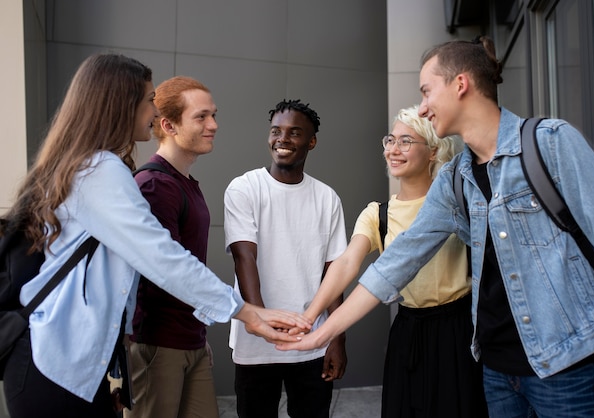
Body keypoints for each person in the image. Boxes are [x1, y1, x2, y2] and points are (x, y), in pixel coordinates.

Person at [277, 36, 594, 418]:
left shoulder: (552, 144)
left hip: (568, 366)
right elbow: (395, 265)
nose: (423, 108)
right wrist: (318, 330)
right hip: (496, 371)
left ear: (460, 84)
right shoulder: (455, 179)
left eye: (427, 92)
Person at [0, 54, 310, 418]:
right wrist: (245, 312)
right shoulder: (101, 171)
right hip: (54, 365)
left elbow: (114, 289)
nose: (153, 108)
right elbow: (160, 256)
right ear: (121, 105)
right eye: (148, 99)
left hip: (70, 365)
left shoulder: (88, 166)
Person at [293, 105, 487, 417]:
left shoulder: (458, 202)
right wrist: (310, 317)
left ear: (434, 151)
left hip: (459, 330)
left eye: (406, 141)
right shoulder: (377, 214)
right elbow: (345, 264)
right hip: (408, 331)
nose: (393, 150)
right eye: (390, 140)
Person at [224, 99, 348, 418]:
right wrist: (261, 320)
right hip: (256, 344)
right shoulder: (244, 188)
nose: (283, 138)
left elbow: (333, 272)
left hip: (312, 340)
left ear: (312, 141)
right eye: (276, 131)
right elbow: (244, 256)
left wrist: (336, 337)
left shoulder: (327, 198)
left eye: (295, 132)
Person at [126, 76, 222, 418]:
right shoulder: (154, 185)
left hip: (188, 340)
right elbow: (166, 271)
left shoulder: (184, 183)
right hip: (157, 344)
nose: (213, 125)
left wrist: (197, 334)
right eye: (201, 117)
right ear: (168, 124)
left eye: (213, 115)